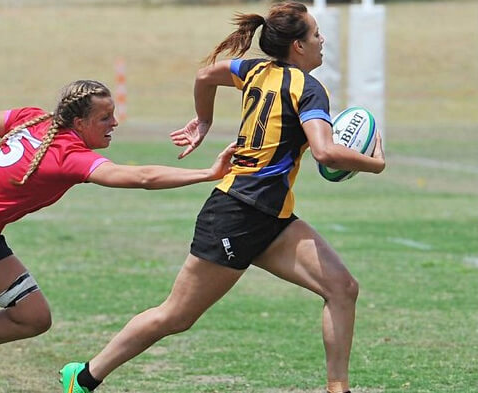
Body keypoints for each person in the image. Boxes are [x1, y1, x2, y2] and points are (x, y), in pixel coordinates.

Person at [59, 2, 385, 393]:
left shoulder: (254, 69)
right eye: (316, 34)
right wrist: (375, 163)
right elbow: (326, 153)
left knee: (342, 288)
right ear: (297, 46)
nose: (322, 40)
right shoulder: (309, 89)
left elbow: (204, 76)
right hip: (237, 213)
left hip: (271, 216)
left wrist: (205, 121)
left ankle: (338, 388)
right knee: (176, 316)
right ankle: (83, 377)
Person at [0, 79, 236, 393]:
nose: (114, 123)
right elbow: (141, 177)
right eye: (105, 118)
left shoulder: (33, 118)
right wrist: (207, 173)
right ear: (79, 122)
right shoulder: (68, 155)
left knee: (33, 317)